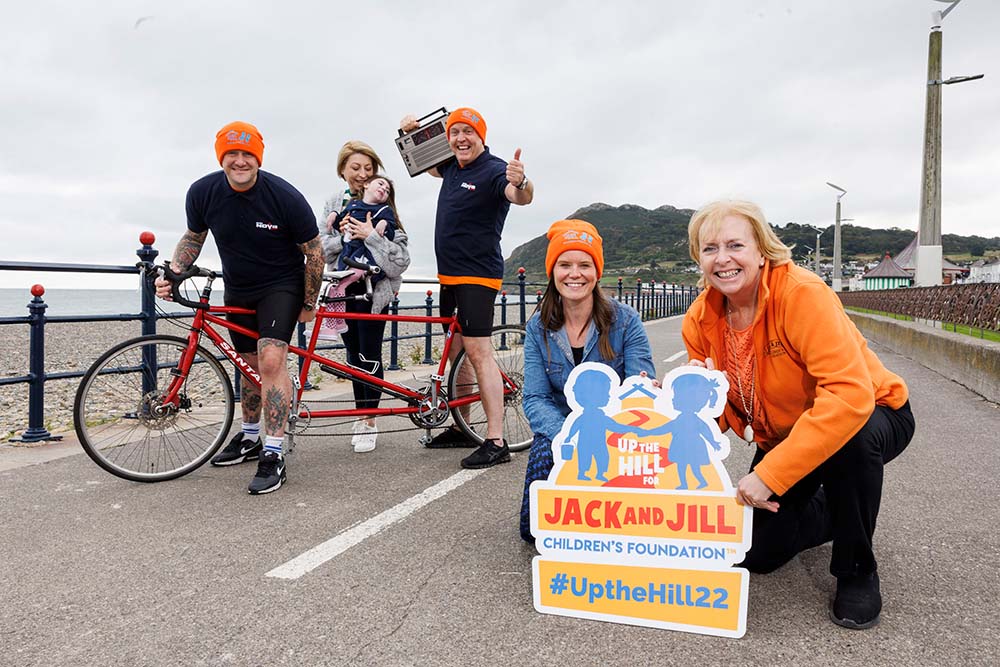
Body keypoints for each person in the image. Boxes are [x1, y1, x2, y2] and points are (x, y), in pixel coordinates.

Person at [681, 199, 915, 630]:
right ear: (699, 258)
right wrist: (687, 402)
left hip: (873, 411)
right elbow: (721, 415)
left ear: (762, 249)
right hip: (786, 435)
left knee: (850, 440)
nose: (724, 258)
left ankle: (856, 569)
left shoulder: (801, 293)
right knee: (757, 555)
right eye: (710, 248)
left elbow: (847, 396)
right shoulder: (700, 319)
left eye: (736, 245)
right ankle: (839, 509)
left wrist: (771, 476)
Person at [154, 121, 324, 495]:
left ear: (258, 158)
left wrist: (308, 301)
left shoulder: (283, 195)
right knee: (246, 363)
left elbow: (314, 250)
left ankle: (274, 452)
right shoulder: (203, 192)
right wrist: (175, 270)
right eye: (233, 153)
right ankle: (249, 438)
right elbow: (194, 237)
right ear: (222, 157)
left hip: (282, 285)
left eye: (248, 154)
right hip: (239, 287)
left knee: (271, 361)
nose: (240, 161)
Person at [400, 107, 534, 469]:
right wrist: (413, 131)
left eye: (468, 132)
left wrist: (521, 182)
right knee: (458, 352)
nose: (461, 138)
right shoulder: (451, 167)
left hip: (477, 276)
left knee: (478, 352)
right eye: (454, 132)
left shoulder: (493, 171)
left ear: (481, 136)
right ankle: (464, 427)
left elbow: (520, 196)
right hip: (449, 277)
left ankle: (496, 440)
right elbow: (422, 161)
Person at [518, 220, 655, 541]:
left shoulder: (626, 321)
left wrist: (609, 432)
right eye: (564, 264)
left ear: (598, 272)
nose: (574, 274)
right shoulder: (538, 327)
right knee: (532, 531)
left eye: (585, 265)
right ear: (553, 271)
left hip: (617, 429)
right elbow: (535, 398)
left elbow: (640, 387)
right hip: (562, 429)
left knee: (632, 524)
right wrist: (568, 436)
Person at [318, 143, 410, 453]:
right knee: (353, 355)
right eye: (355, 168)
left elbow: (400, 260)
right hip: (342, 291)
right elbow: (320, 247)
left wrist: (370, 235)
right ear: (342, 170)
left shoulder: (385, 207)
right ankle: (361, 412)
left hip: (374, 293)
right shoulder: (334, 203)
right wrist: (346, 236)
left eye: (368, 169)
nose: (362, 174)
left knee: (370, 355)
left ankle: (370, 420)